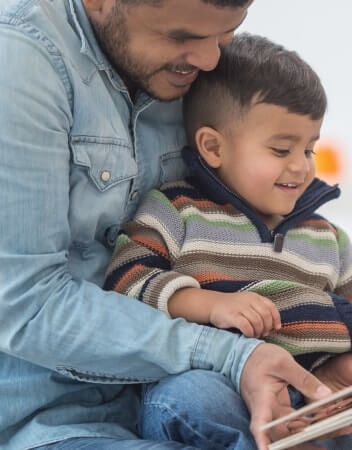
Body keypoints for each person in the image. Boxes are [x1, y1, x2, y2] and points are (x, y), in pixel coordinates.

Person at [0, 0, 342, 449]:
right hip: (60, 421)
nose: (211, 61)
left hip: (193, 389)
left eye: (226, 34)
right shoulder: (21, 59)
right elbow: (27, 306)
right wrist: (233, 356)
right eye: (182, 36)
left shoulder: (194, 66)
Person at [104, 33, 352, 447]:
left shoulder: (328, 236)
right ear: (213, 147)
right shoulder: (176, 209)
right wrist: (212, 304)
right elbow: (125, 279)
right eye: (280, 149)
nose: (301, 167)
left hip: (316, 394)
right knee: (188, 399)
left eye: (309, 149)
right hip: (220, 385)